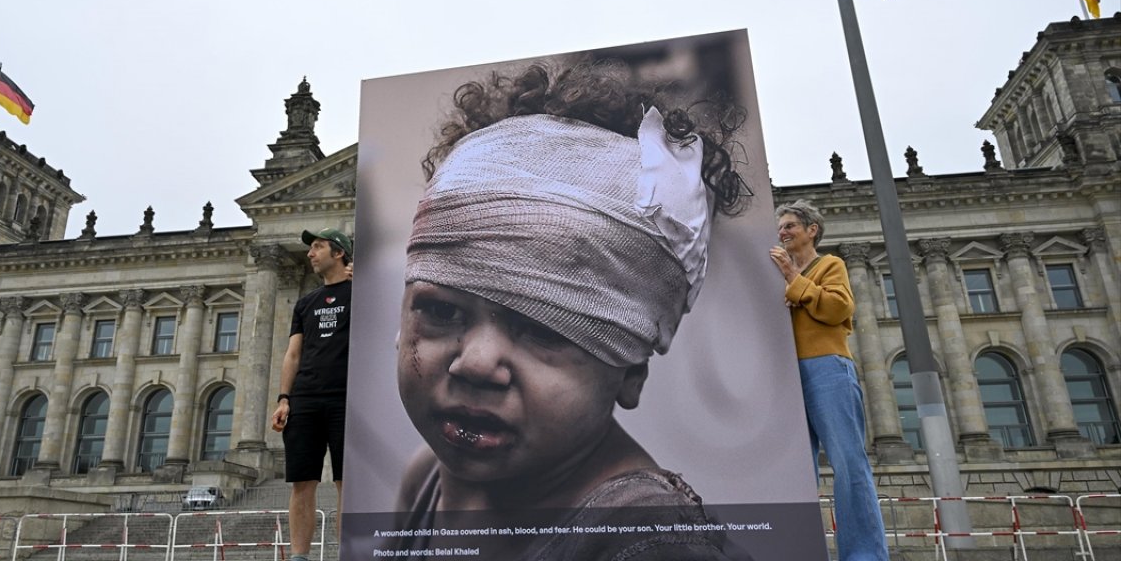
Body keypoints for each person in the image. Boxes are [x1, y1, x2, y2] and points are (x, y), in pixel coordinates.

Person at [393, 61, 750, 560]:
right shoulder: (427, 477)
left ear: (631, 373)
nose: (474, 363)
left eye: (543, 328)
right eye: (442, 312)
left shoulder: (652, 544)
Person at [769, 200, 888, 561]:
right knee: (796, 467)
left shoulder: (829, 264)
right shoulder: (776, 272)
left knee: (848, 462)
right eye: (781, 227)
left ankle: (864, 554)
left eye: (790, 226)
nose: (783, 232)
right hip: (785, 373)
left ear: (811, 230)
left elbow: (839, 308)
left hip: (826, 367)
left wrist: (794, 279)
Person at [271, 228, 353, 561]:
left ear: (339, 253)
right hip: (305, 398)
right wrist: (283, 397)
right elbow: (293, 354)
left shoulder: (361, 293)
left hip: (347, 397)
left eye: (317, 247)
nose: (309, 253)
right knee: (302, 482)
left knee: (346, 483)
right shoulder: (306, 303)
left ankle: (348, 552)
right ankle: (299, 557)